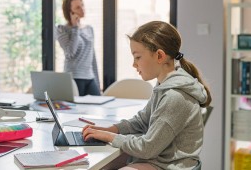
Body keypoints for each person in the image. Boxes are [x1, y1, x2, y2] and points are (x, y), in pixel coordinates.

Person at [82, 21, 212, 170]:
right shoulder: (164, 85)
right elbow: (142, 121)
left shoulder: (175, 96)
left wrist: (109, 137)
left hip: (171, 166)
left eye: (137, 57)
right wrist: (111, 129)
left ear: (159, 56)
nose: (134, 64)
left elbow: (147, 148)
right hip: (160, 160)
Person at [56, 0, 101, 96]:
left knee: (98, 105)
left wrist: (98, 82)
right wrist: (75, 28)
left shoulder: (89, 29)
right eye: (77, 7)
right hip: (74, 78)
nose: (82, 9)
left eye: (82, 5)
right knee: (77, 110)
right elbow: (70, 53)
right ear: (69, 11)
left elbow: (92, 57)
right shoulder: (61, 29)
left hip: (90, 76)